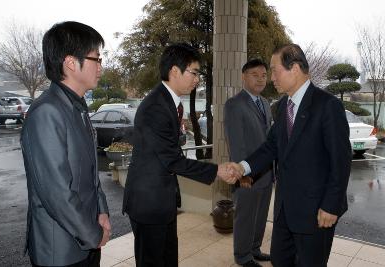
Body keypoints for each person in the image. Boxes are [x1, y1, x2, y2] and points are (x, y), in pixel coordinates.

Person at [122, 42, 241, 267]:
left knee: (168, 259)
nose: (197, 79)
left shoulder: (170, 103)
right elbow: (172, 160)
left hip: (161, 199)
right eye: (194, 72)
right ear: (174, 71)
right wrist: (217, 170)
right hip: (148, 204)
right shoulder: (156, 106)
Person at [237, 44, 351, 266]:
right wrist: (243, 167)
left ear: (295, 68)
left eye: (274, 70)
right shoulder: (281, 107)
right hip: (284, 211)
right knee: (280, 261)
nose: (271, 78)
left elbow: (341, 160)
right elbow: (271, 147)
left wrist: (331, 205)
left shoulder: (327, 105)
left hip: (317, 212)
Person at [21, 21, 110, 267]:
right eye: (96, 59)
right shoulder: (47, 112)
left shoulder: (76, 106)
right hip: (61, 253)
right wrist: (93, 234)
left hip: (87, 240)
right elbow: (56, 194)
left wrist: (101, 212)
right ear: (71, 63)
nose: (101, 66)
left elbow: (91, 174)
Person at [224, 59, 273, 267]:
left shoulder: (265, 103)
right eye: (255, 74)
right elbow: (236, 144)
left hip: (267, 172)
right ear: (243, 77)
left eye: (264, 75)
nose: (261, 79)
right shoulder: (234, 104)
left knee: (260, 215)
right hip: (247, 174)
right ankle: (243, 256)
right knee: (245, 217)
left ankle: (254, 249)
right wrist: (242, 174)